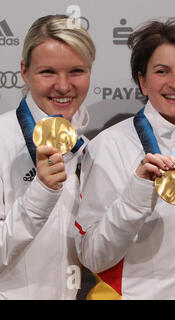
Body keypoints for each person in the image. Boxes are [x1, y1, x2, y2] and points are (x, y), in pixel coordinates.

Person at [74, 17, 175, 299]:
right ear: (143, 81)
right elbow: (92, 256)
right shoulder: (110, 146)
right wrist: (137, 194)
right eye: (162, 71)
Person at [0, 14, 95, 299]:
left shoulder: (88, 149)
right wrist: (41, 192)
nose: (64, 86)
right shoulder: (2, 139)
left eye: (76, 71)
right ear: (24, 72)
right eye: (48, 72)